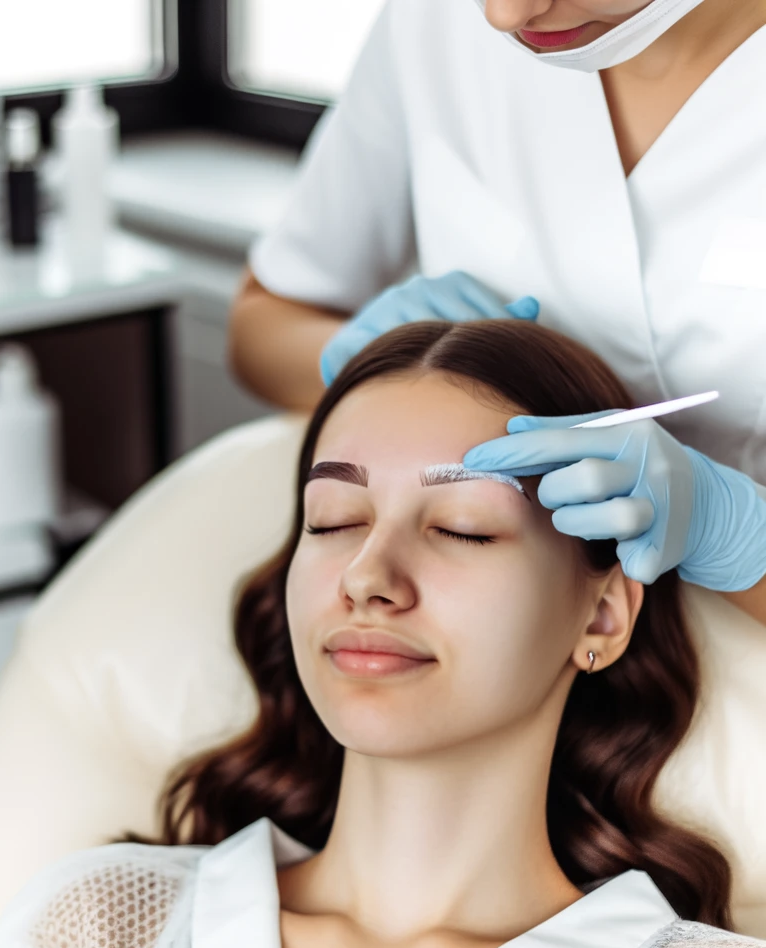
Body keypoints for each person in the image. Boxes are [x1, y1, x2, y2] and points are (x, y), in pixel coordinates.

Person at [0, 320, 766, 948]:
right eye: (333, 521)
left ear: (601, 615)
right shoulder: (112, 928)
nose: (368, 575)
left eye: (464, 529)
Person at [228, 0, 766, 629]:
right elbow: (261, 325)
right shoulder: (434, 22)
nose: (504, 15)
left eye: (465, 529)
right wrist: (361, 358)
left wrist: (739, 539)